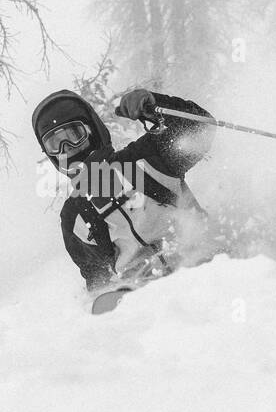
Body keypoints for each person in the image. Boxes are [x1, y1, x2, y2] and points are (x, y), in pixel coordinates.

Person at [32, 87, 215, 291]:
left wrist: (157, 106)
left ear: (93, 131)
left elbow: (201, 129)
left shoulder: (147, 159)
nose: (66, 148)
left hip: (200, 263)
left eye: (73, 135)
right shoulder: (75, 215)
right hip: (149, 293)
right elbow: (97, 277)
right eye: (54, 144)